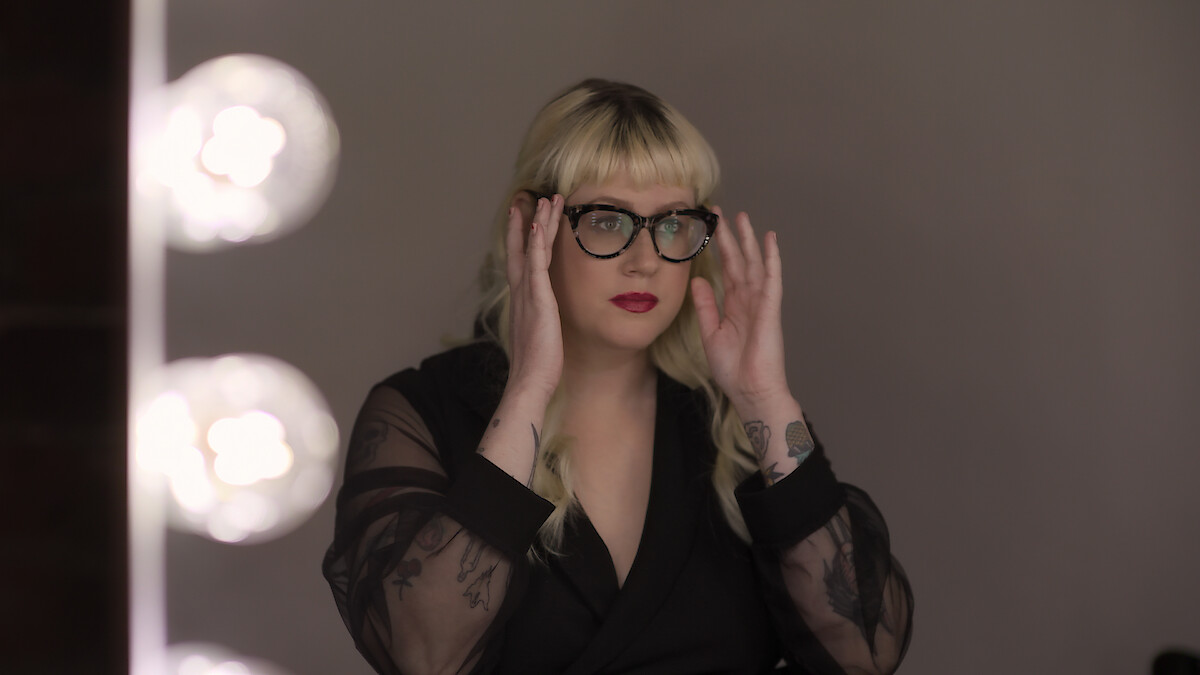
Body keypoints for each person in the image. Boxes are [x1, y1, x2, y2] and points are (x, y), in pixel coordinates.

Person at [323, 78, 913, 675]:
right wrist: (529, 388)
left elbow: (864, 655)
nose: (646, 260)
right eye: (607, 221)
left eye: (672, 223)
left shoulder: (736, 426)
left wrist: (764, 398)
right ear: (533, 226)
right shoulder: (420, 412)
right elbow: (423, 655)